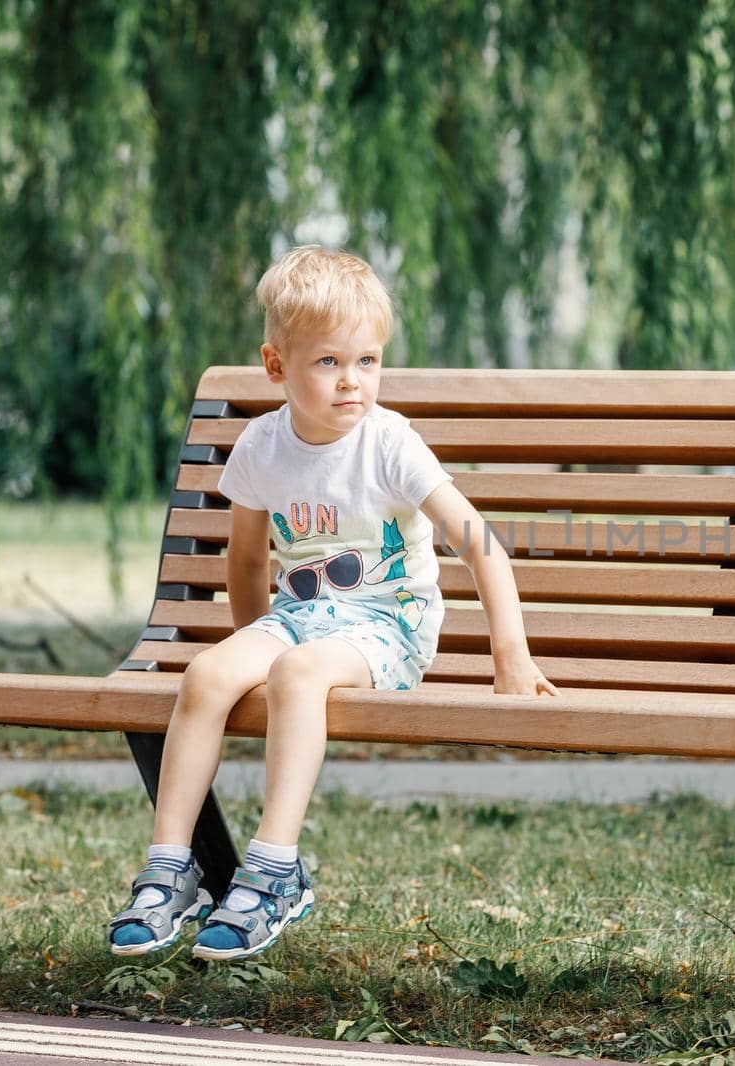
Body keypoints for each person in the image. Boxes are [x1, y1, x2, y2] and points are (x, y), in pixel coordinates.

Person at [108, 245, 559, 961]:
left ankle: (273, 871)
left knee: (299, 673)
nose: (352, 382)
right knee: (207, 676)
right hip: (300, 619)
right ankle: (171, 870)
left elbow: (481, 545)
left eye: (368, 362)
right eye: (329, 363)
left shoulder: (389, 445)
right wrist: (248, 645)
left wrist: (512, 658)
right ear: (277, 365)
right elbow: (249, 560)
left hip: (389, 627)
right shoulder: (261, 447)